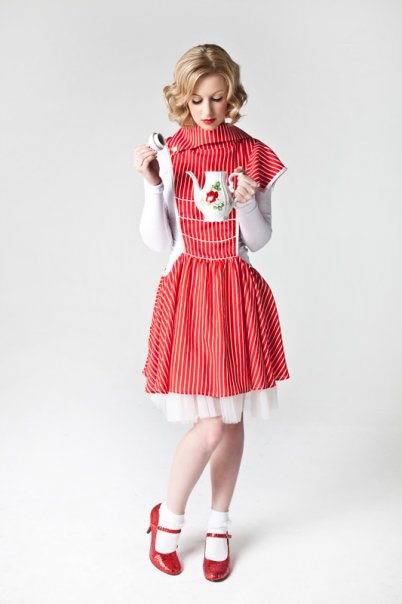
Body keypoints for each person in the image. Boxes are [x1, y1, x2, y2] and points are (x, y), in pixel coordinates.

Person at [133, 43, 290, 581]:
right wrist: (153, 185)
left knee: (232, 416)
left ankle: (220, 523)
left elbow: (259, 240)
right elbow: (159, 241)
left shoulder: (253, 153)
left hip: (236, 292)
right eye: (197, 99)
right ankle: (169, 520)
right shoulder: (171, 152)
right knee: (212, 424)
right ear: (183, 98)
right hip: (191, 291)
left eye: (218, 98)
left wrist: (245, 203)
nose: (207, 109)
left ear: (232, 97)